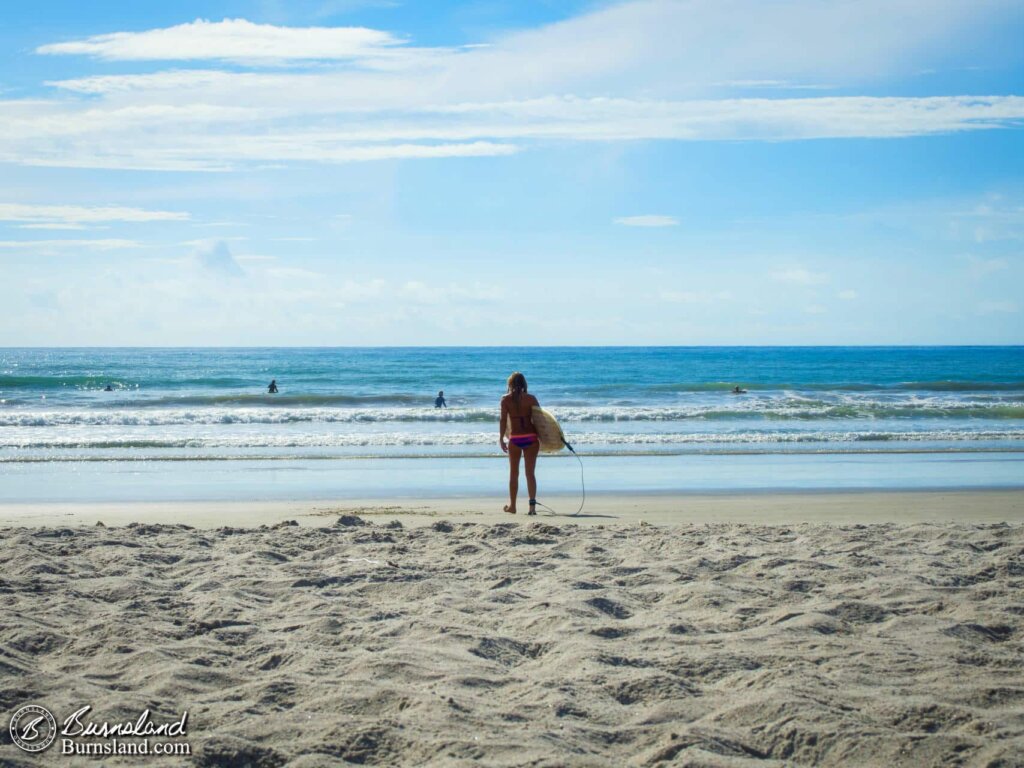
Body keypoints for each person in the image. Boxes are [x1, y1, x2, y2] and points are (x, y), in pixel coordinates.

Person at [499, 371, 540, 515]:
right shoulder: (531, 398)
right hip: (531, 438)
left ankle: (513, 506)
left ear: (510, 384)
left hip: (515, 439)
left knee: (513, 474)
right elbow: (540, 420)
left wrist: (501, 439)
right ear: (524, 384)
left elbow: (503, 420)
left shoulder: (505, 400)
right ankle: (532, 507)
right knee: (530, 474)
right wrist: (547, 438)